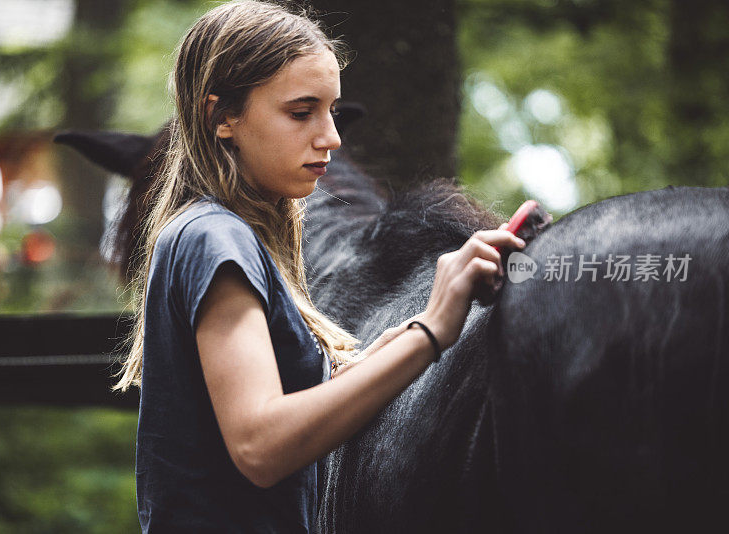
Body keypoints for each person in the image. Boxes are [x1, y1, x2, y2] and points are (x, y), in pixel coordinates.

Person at [112, 1, 526, 532]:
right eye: (301, 112)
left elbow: (287, 407)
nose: (331, 136)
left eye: (331, 110)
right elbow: (260, 446)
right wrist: (432, 330)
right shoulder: (214, 239)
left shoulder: (225, 236)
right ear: (221, 118)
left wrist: (401, 336)